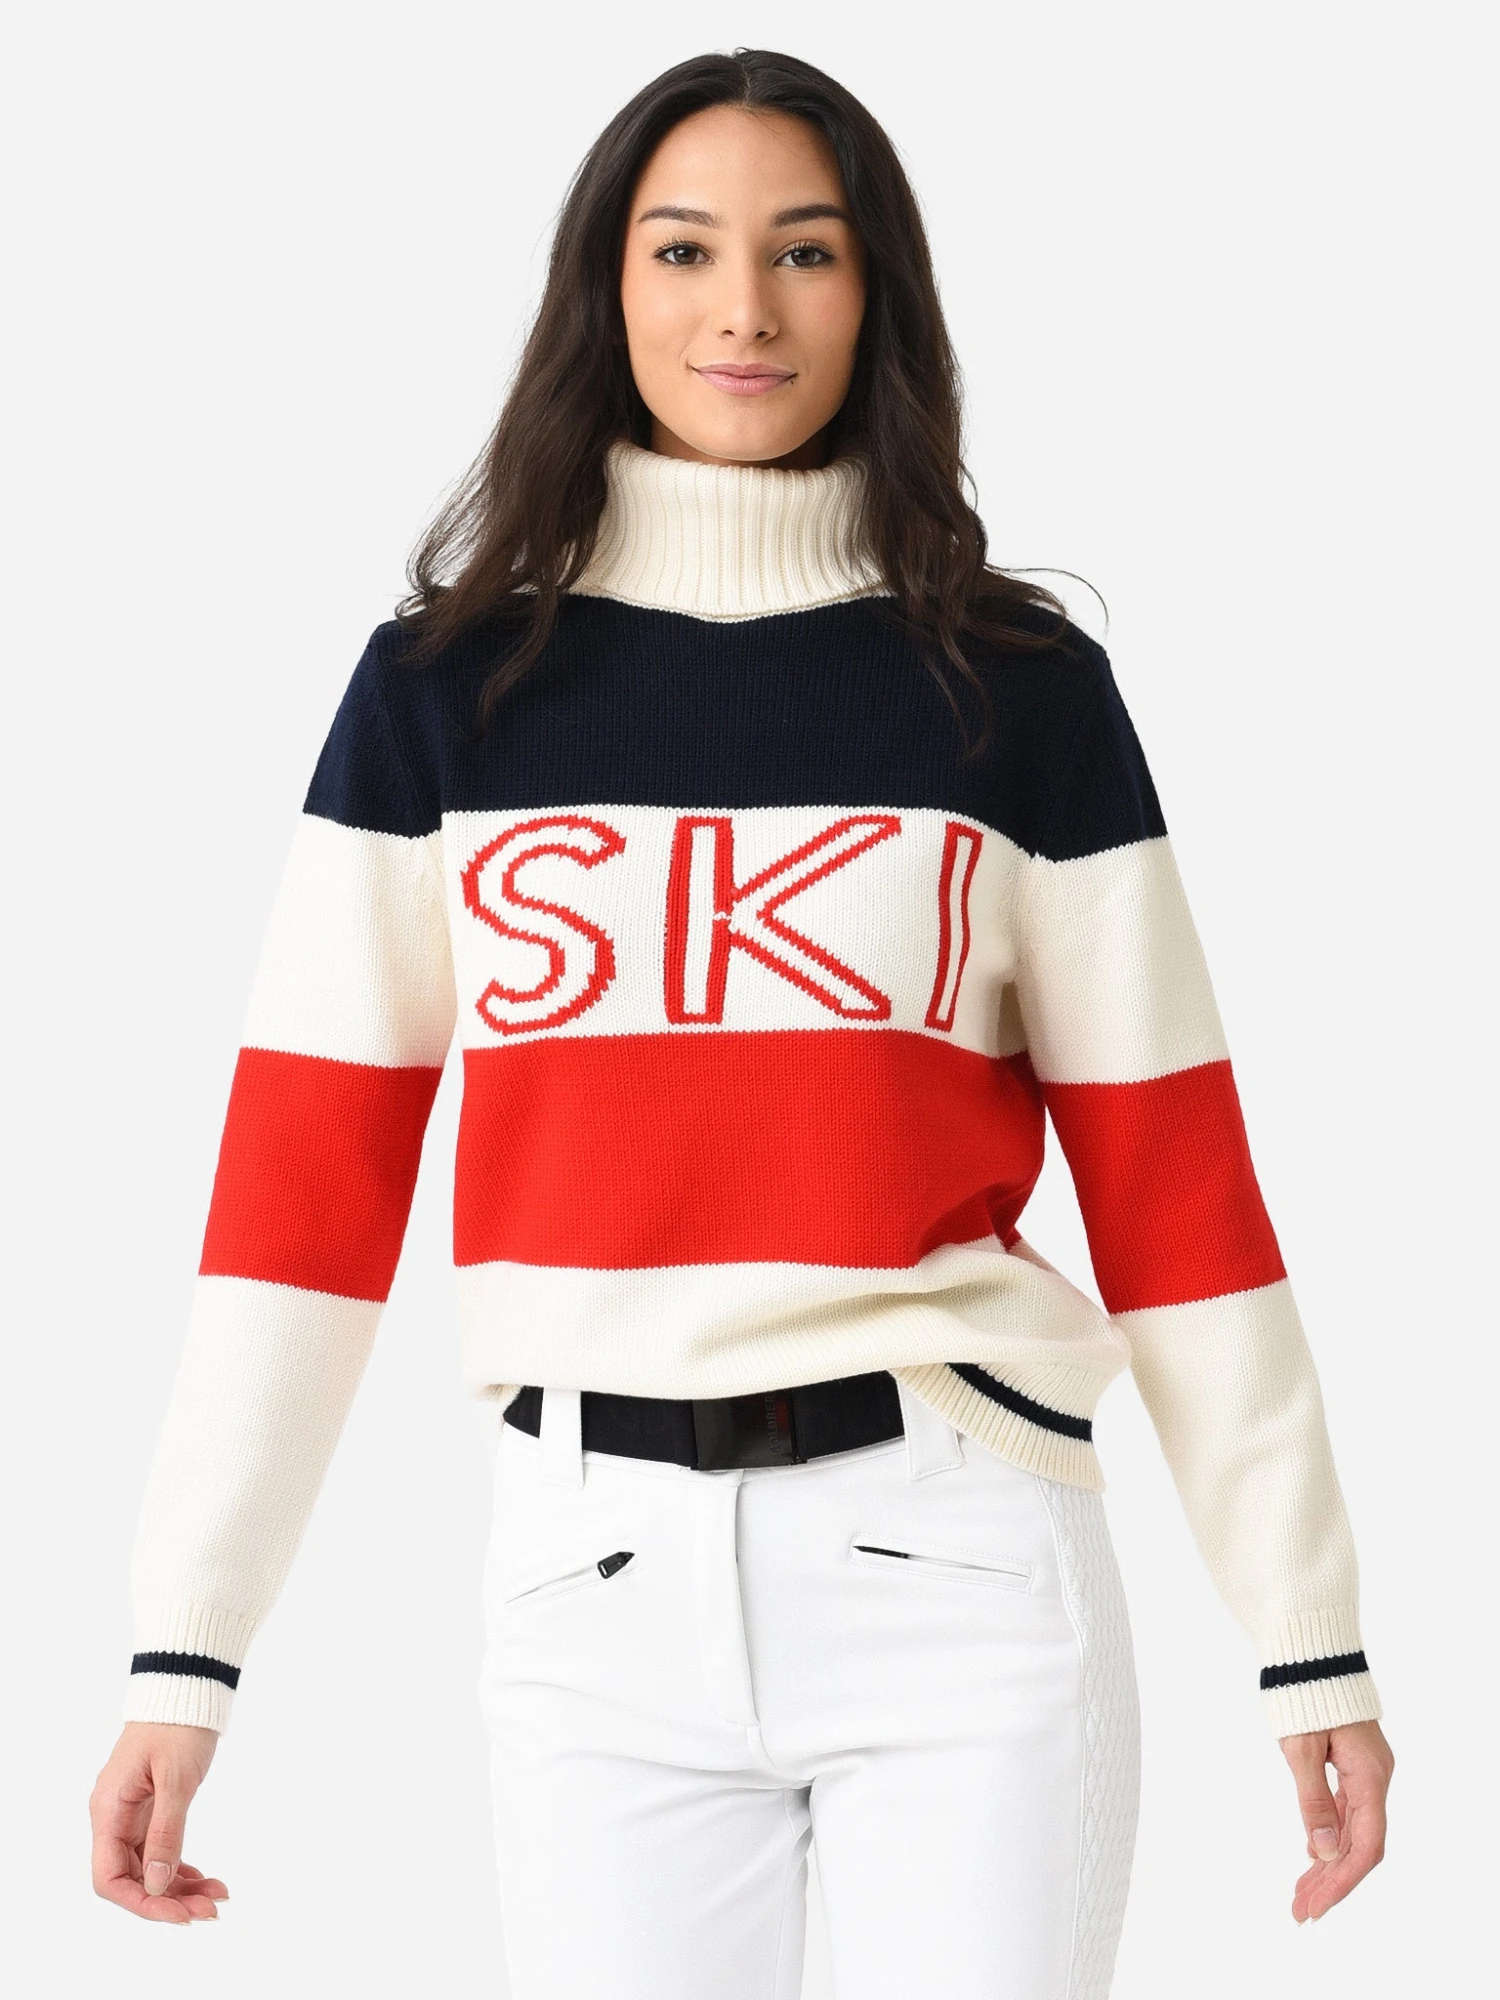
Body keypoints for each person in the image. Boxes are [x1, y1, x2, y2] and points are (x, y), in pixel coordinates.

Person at [90, 45, 1394, 1996]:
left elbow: (1177, 1184)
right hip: (587, 1584)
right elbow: (298, 1204)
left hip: (959, 1563)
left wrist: (1307, 1636)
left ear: (877, 296)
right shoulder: (446, 696)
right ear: (605, 289)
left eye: (807, 251)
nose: (745, 310)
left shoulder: (1015, 691)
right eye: (685, 249)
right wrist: (186, 1650)